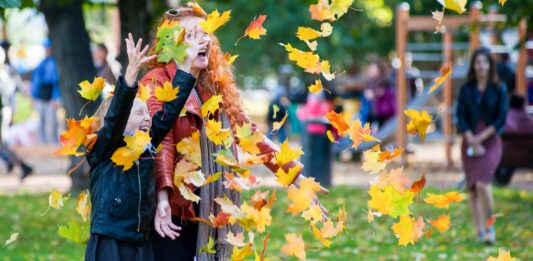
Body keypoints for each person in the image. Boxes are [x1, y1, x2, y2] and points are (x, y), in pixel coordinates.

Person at [143, 7, 328, 260]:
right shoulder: (156, 81)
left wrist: (293, 175)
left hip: (208, 204)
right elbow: (159, 140)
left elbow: (248, 133)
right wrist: (163, 196)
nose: (203, 40)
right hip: (172, 209)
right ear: (169, 44)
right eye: (191, 35)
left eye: (205, 34)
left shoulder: (211, 84)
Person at [84, 33, 195, 260]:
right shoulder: (103, 148)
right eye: (139, 113)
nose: (147, 118)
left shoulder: (145, 146)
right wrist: (132, 73)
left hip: (140, 242)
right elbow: (117, 116)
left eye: (147, 112)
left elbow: (168, 112)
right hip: (111, 240)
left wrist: (186, 68)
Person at [456, 47, 508, 244]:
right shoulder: (466, 88)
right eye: (477, 62)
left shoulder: (499, 88)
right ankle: (479, 232)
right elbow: (460, 115)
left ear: (490, 65)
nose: (481, 66)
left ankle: (490, 228)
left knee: (483, 185)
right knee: (473, 188)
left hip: (491, 141)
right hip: (469, 141)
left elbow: (501, 119)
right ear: (473, 65)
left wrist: (481, 138)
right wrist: (470, 137)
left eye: (484, 62)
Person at [0, 46, 33, 179]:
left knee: (4, 143)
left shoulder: (2, 75)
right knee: (3, 144)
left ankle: (22, 166)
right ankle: (18, 165)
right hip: (5, 110)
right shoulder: (5, 73)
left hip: (2, 111)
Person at [30, 40, 61, 144]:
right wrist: (33, 96)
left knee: (51, 122)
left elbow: (57, 83)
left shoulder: (56, 63)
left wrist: (56, 97)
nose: (47, 50)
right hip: (41, 97)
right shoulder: (42, 63)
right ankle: (43, 143)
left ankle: (52, 143)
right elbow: (35, 82)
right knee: (41, 121)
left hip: (51, 97)